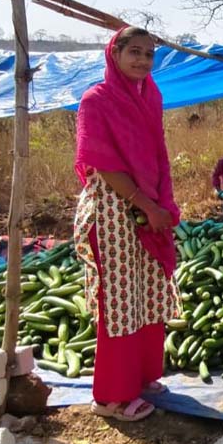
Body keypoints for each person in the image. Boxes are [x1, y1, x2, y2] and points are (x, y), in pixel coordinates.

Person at [72, 26, 179, 422]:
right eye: (134, 52)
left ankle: (143, 376)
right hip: (114, 210)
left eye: (149, 55)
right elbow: (101, 163)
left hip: (147, 207)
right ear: (113, 53)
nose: (142, 61)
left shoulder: (150, 96)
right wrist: (146, 205)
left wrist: (160, 203)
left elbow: (157, 153)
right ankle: (113, 398)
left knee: (148, 294)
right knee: (120, 303)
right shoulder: (96, 100)